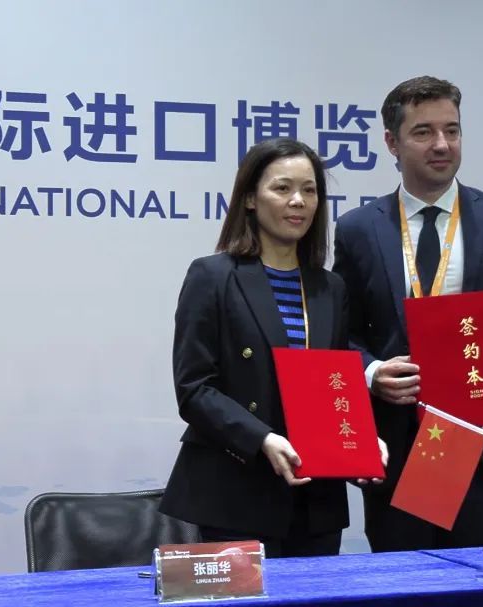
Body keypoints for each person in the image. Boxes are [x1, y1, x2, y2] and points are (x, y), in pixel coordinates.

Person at [333, 76, 483, 552]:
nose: (442, 144)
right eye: (423, 132)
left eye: (452, 130)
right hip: (399, 449)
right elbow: (339, 333)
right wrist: (372, 373)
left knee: (482, 579)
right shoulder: (358, 229)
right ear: (392, 142)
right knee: (405, 583)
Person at [160, 138, 385, 558]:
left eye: (309, 190)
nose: (298, 201)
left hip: (316, 500)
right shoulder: (213, 277)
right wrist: (261, 437)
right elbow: (194, 389)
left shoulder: (330, 288)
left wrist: (361, 440)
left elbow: (335, 384)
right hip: (237, 489)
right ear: (250, 198)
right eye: (282, 188)